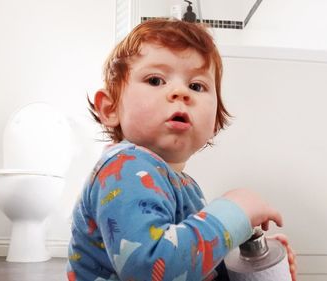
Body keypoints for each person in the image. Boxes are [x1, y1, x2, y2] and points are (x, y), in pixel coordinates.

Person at [67, 19, 297, 281]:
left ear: (214, 123)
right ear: (110, 109)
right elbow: (151, 268)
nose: (180, 92)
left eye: (196, 86)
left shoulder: (185, 185)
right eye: (155, 80)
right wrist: (233, 212)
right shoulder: (124, 167)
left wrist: (249, 262)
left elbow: (190, 270)